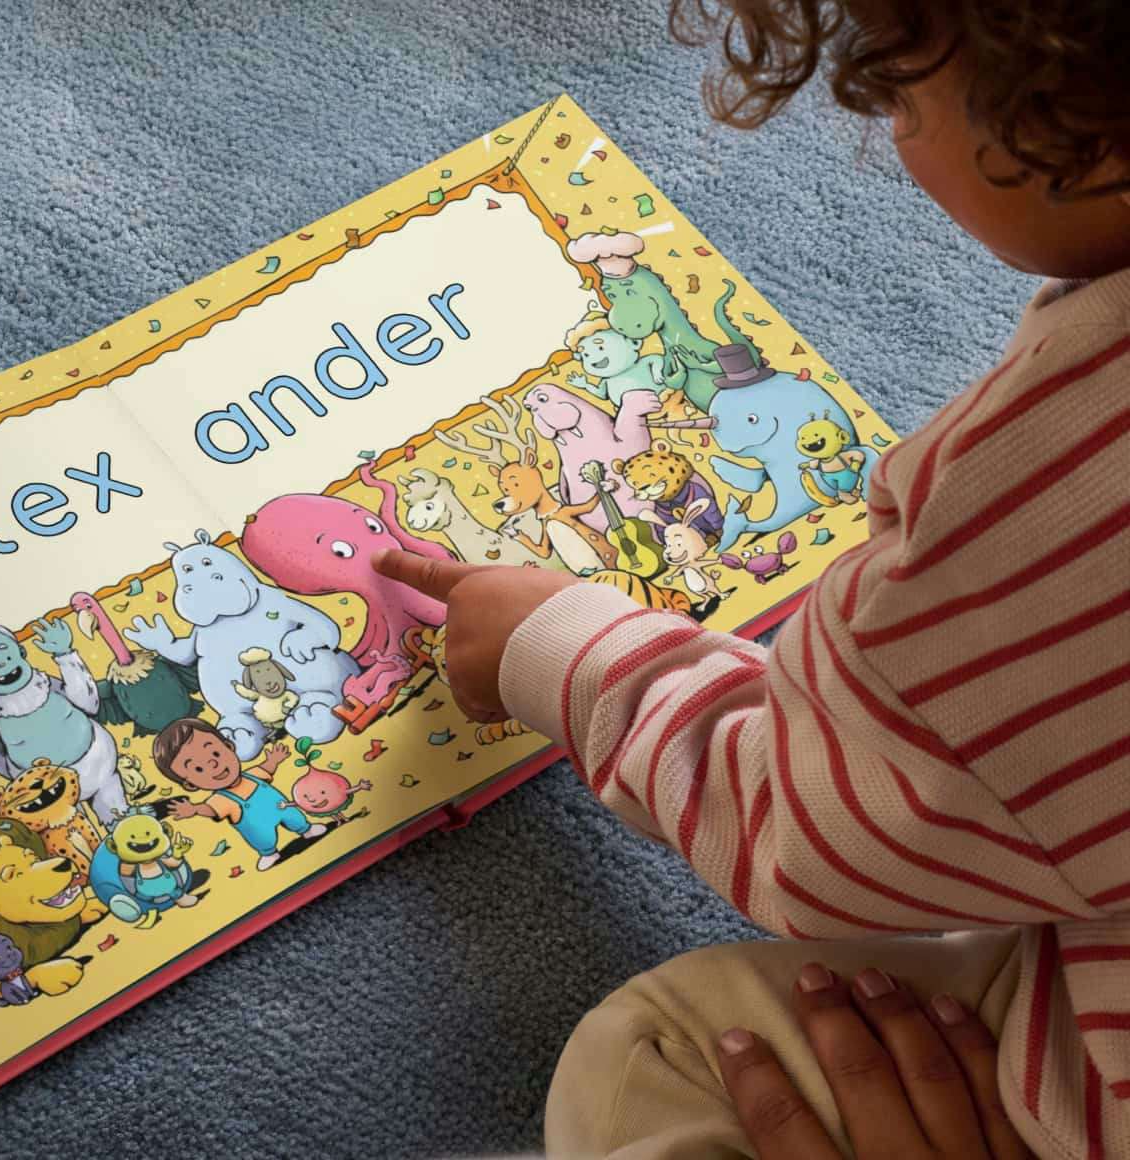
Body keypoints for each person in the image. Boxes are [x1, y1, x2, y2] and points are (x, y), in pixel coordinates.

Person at [374, 0, 1130, 1154]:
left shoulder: (1055, 481)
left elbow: (816, 820)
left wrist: (562, 645)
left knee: (654, 1053)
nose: (877, 118)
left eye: (893, 80)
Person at [153, 718, 326, 871]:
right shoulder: (222, 799)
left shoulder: (251, 775)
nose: (214, 764)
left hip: (280, 807)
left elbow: (265, 770)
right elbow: (210, 809)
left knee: (294, 816)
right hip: (257, 825)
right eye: (198, 768)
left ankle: (306, 829)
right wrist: (195, 809)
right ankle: (269, 853)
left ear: (229, 746)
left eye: (215, 753)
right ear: (190, 784)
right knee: (263, 839)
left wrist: (273, 760)